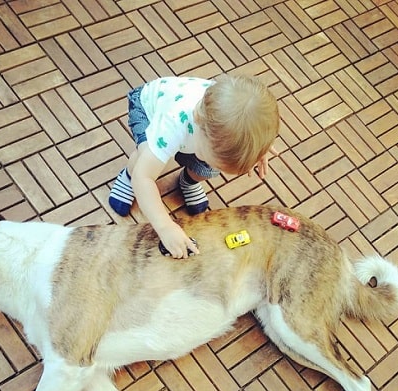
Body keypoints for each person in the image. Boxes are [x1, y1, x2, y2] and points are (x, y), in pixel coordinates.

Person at [109, 74, 279, 258]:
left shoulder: (220, 121)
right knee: (145, 157)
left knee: (208, 168)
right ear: (198, 120)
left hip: (196, 134)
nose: (219, 170)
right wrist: (165, 227)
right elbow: (144, 178)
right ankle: (127, 176)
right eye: (211, 157)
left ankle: (188, 182)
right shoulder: (172, 125)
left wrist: (258, 147)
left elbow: (250, 123)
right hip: (148, 109)